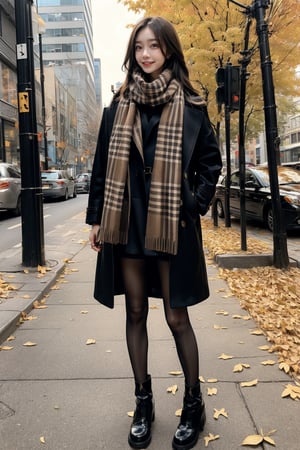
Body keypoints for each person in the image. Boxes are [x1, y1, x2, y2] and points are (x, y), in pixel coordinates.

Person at [86, 16, 222, 450]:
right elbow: (102, 167)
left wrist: (193, 201)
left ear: (169, 52)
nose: (146, 54)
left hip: (171, 226)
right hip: (127, 225)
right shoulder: (117, 106)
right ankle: (143, 401)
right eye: (140, 47)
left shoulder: (192, 104)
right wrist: (95, 219)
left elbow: (210, 164)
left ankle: (193, 402)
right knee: (136, 313)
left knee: (177, 315)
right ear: (133, 53)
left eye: (154, 47)